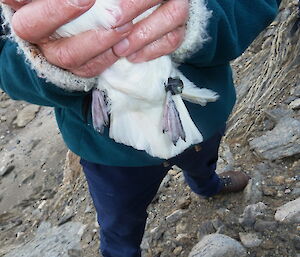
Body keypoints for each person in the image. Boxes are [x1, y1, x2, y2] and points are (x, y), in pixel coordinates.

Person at [0, 0, 281, 256]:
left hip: (199, 118)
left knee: (203, 161)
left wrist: (202, 15)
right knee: (120, 223)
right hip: (111, 152)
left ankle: (208, 186)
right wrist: (43, 65)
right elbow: (5, 62)